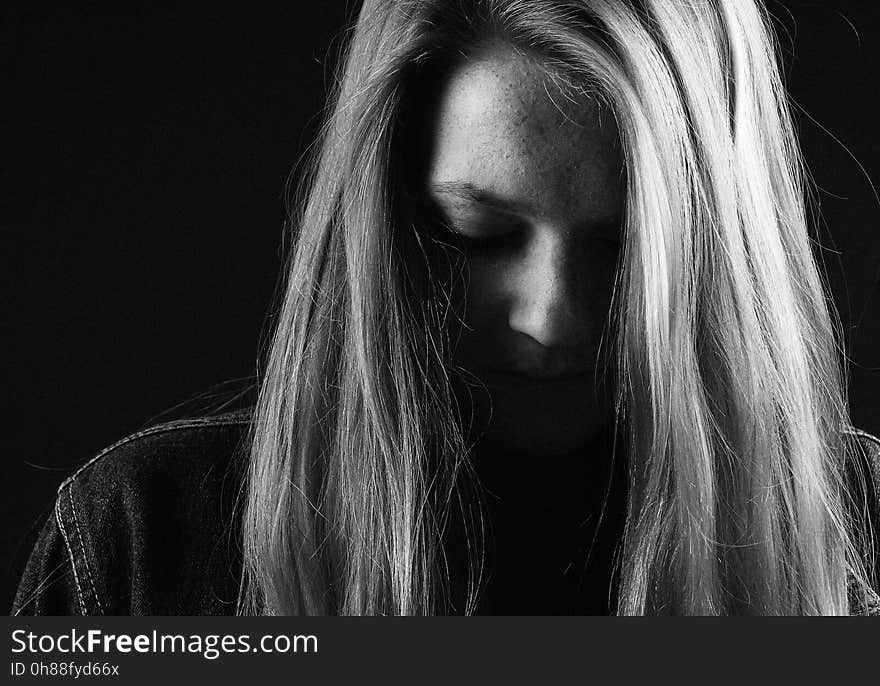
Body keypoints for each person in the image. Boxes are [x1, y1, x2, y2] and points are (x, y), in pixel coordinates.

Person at [12, 0, 880, 616]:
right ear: (379, 217)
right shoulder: (143, 536)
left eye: (631, 250)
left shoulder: (863, 531)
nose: (552, 321)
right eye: (474, 234)